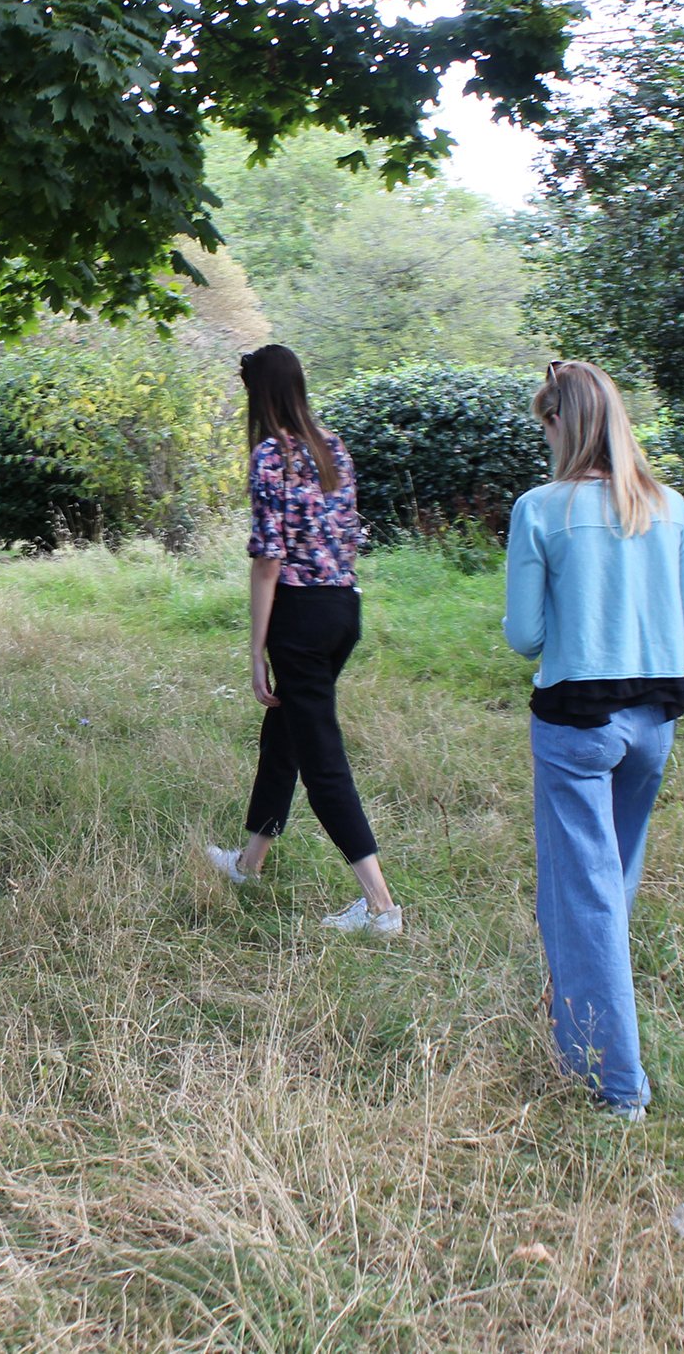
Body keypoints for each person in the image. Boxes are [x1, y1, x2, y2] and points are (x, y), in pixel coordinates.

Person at [504, 359, 684, 1118]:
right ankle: (579, 1019)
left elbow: (525, 637)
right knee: (610, 886)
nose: (545, 436)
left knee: (585, 895)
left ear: (564, 422)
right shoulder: (670, 508)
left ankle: (616, 1085)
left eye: (546, 422)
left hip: (576, 726)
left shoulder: (540, 508)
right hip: (657, 727)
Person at [205, 345, 402, 934]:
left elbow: (268, 561)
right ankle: (248, 864)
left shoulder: (271, 456)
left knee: (321, 760)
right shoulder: (332, 445)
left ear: (259, 394)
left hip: (301, 618)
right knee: (285, 738)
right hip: (344, 608)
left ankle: (382, 908)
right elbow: (346, 537)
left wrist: (256, 652)